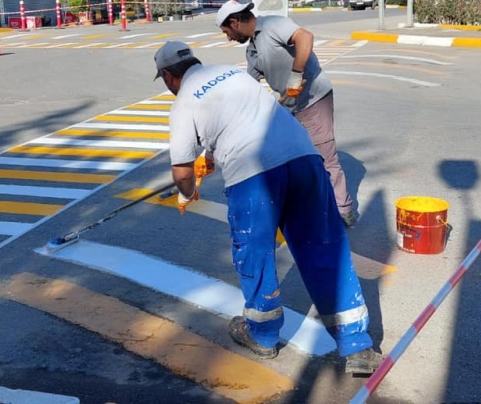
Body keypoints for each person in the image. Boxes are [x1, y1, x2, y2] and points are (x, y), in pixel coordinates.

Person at [152, 40, 383, 375]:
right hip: (304, 159)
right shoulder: (232, 74)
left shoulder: (184, 102)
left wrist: (187, 194)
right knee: (324, 248)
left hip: (253, 174)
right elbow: (244, 117)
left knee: (255, 253)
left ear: (168, 76)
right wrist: (212, 155)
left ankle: (262, 334)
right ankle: (357, 346)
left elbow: (182, 172)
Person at [215, 0, 357, 227]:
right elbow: (249, 86)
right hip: (290, 107)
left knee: (324, 157)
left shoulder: (272, 25)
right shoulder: (252, 49)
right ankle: (310, 204)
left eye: (226, 32)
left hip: (313, 99)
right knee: (294, 157)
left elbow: (305, 37)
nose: (228, 38)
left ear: (234, 22)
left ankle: (343, 210)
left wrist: (296, 74)